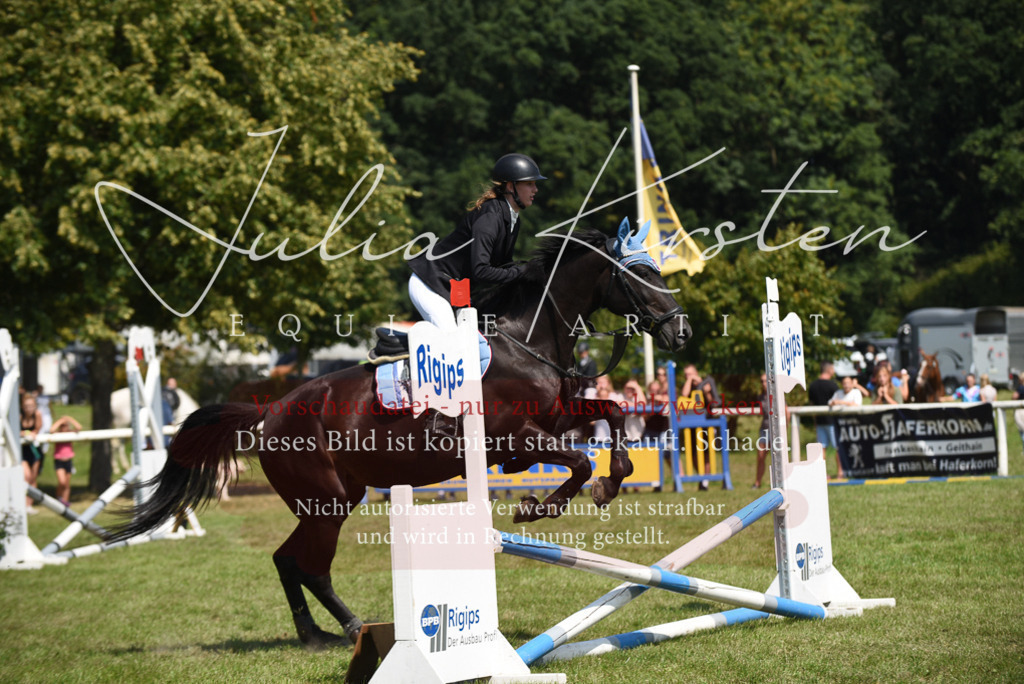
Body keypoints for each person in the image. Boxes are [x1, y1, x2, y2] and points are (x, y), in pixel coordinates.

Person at [407, 153, 545, 330]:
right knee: (451, 336)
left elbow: (504, 267)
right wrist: (522, 272)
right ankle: (396, 349)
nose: (535, 190)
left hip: (456, 290)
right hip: (430, 284)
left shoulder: (513, 220)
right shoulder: (490, 217)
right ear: (511, 186)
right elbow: (481, 270)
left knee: (475, 340)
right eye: (529, 184)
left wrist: (534, 273)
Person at [829, 374, 865, 478]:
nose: (846, 385)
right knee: (839, 448)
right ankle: (841, 472)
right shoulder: (838, 393)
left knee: (858, 448)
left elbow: (857, 405)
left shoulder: (856, 392)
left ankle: (860, 471)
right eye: (844, 383)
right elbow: (830, 402)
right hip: (841, 425)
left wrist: (840, 402)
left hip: (855, 424)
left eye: (848, 383)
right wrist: (836, 403)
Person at [807, 362, 840, 470]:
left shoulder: (813, 385)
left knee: (822, 449)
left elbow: (811, 404)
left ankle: (823, 474)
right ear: (829, 370)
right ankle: (841, 472)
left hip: (819, 421)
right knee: (838, 448)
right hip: (833, 421)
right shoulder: (833, 385)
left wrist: (815, 420)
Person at [20, 392, 45, 513]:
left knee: (33, 478)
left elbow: (37, 429)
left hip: (34, 450)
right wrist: (23, 433)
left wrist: (32, 433)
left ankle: (29, 505)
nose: (29, 408)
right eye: (26, 406)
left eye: (31, 406)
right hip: (22, 451)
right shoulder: (19, 416)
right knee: (26, 476)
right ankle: (23, 503)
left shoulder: (37, 414)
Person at [50, 414, 83, 505]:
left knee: (67, 484)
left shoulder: (70, 433)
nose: (65, 427)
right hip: (59, 461)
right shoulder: (57, 435)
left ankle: (65, 501)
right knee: (62, 482)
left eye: (66, 425)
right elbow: (52, 430)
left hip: (68, 461)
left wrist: (69, 419)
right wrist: (61, 420)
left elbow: (79, 427)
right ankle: (58, 499)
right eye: (63, 426)